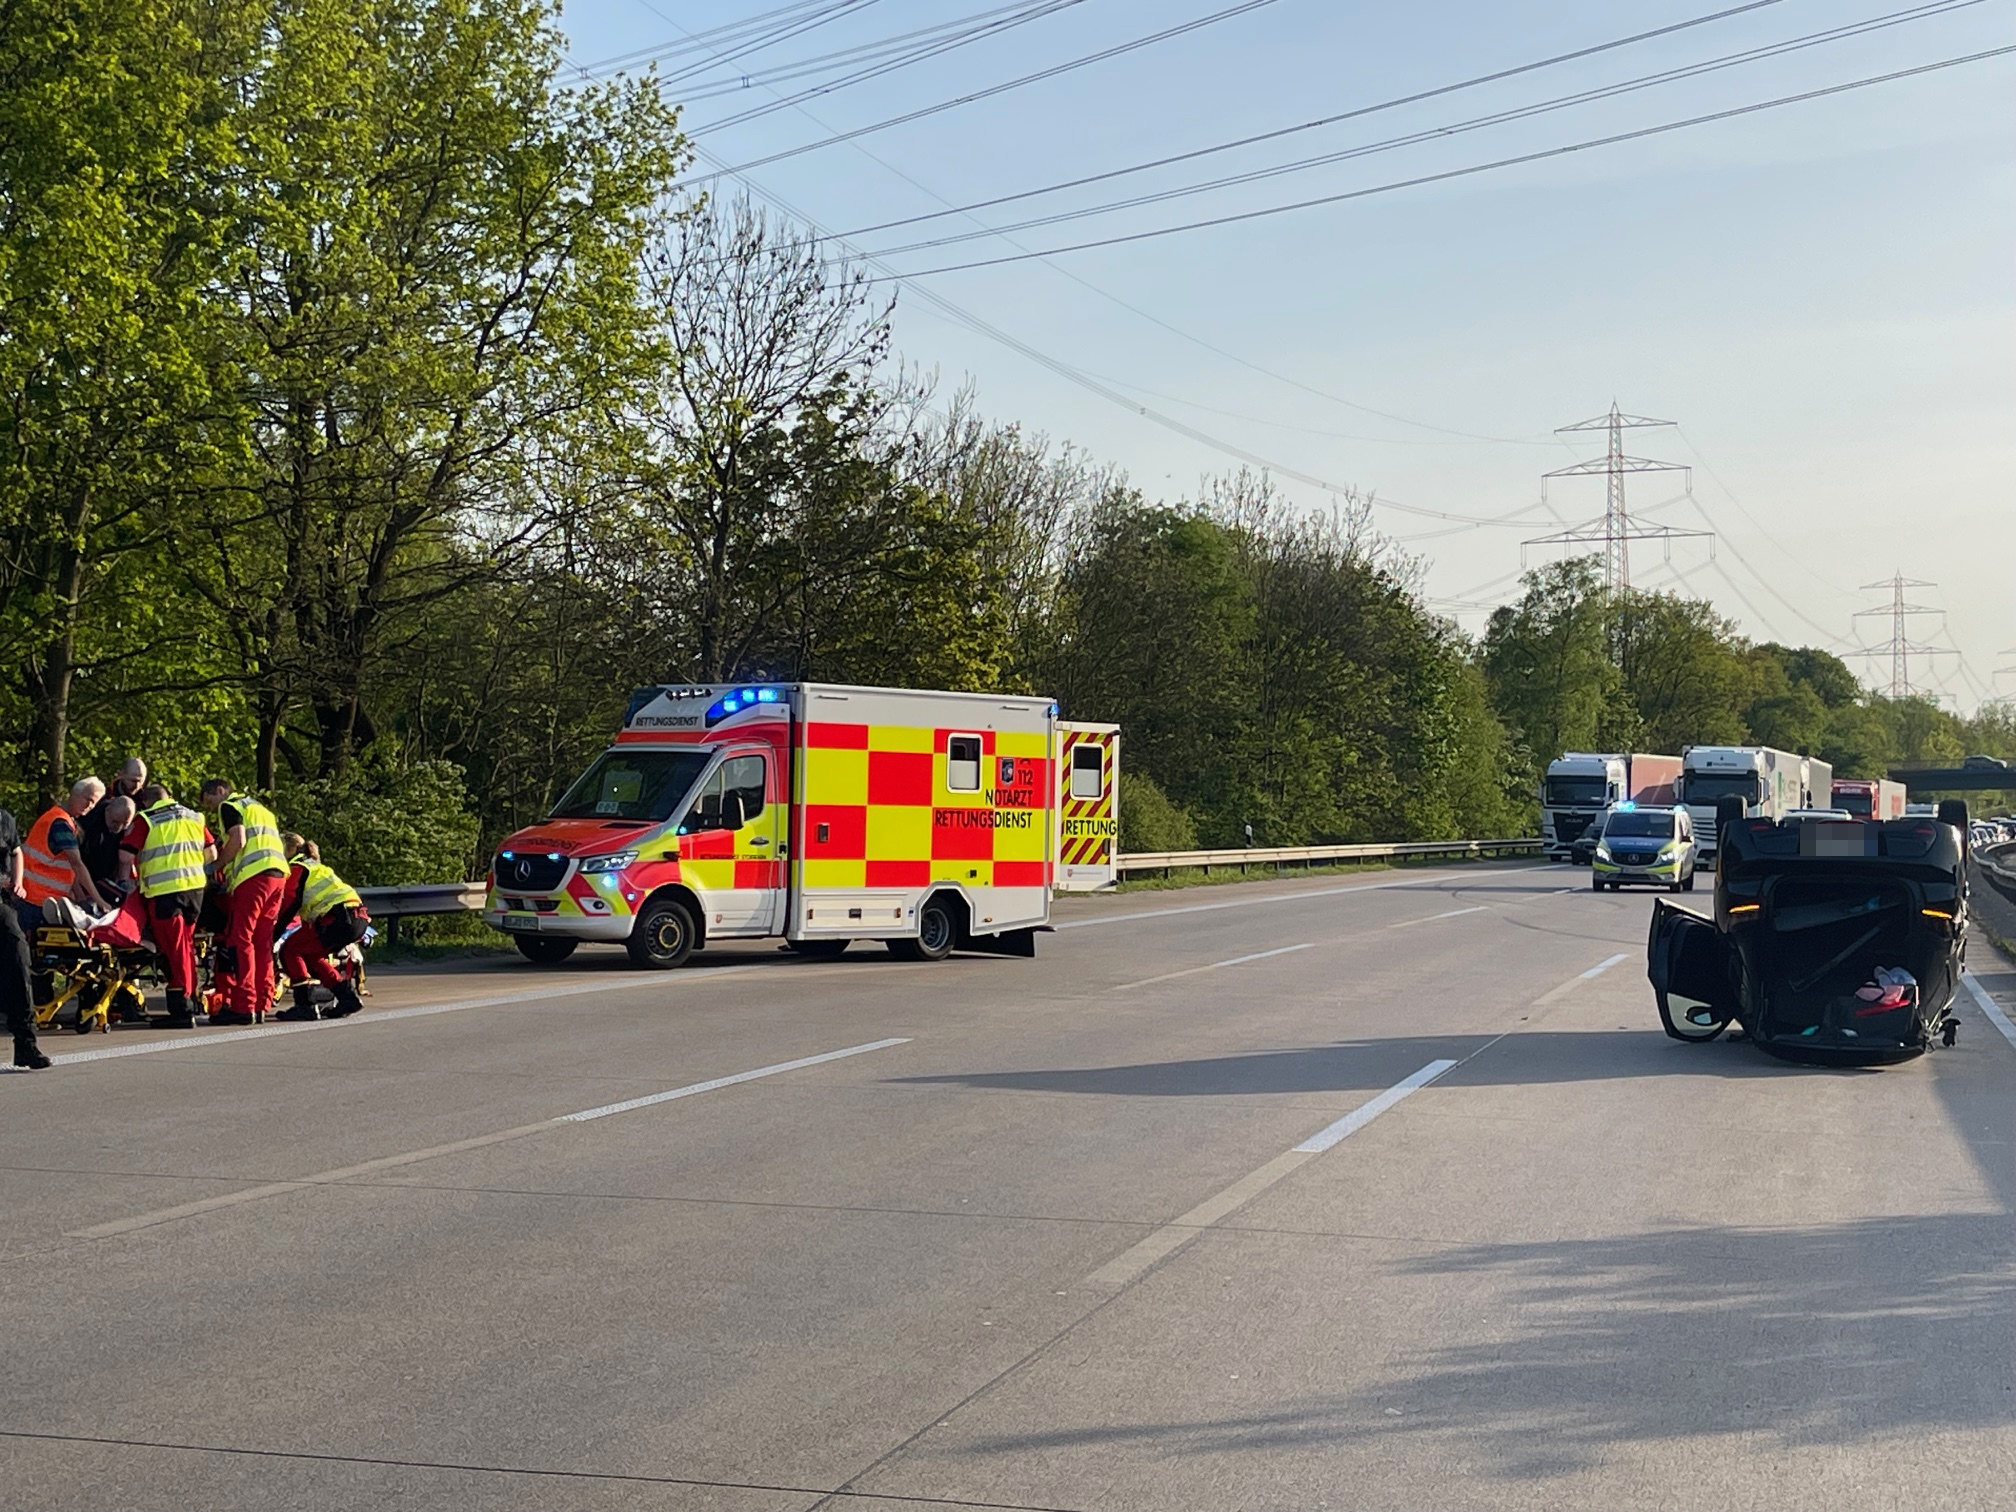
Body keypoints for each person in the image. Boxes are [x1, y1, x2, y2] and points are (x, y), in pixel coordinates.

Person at [119, 784, 215, 1029]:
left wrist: (126, 882)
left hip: (164, 893)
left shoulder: (147, 819)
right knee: (186, 946)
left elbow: (125, 856)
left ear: (146, 801)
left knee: (173, 950)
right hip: (194, 891)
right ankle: (189, 1000)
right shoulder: (194, 816)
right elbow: (212, 853)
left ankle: (181, 1008)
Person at [200, 779, 286, 1028]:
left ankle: (243, 1006)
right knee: (262, 941)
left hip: (253, 877)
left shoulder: (230, 805)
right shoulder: (259, 808)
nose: (211, 808)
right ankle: (261, 1003)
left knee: (241, 940)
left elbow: (237, 841)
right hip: (277, 875)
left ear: (218, 791)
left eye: (209, 801)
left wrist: (216, 866)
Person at [273, 836, 369, 1022]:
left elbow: (290, 904)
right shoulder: (317, 867)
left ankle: (305, 1005)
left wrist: (274, 934)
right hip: (355, 917)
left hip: (339, 917)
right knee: (310, 955)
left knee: (290, 950)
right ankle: (347, 998)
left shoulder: (297, 869)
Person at [0, 807, 51, 1070]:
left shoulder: (4, 818)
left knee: (18, 961)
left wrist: (18, 882)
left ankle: (26, 1044)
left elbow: (16, 851)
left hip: (2, 902)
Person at [19, 777, 111, 915]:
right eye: (88, 800)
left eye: (94, 803)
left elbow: (66, 865)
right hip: (39, 901)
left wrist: (80, 897)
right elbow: (76, 864)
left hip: (37, 897)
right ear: (74, 794)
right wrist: (99, 900)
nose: (89, 806)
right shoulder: (61, 824)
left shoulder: (58, 818)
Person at [78, 794, 136, 903]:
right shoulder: (88, 821)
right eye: (115, 822)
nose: (118, 827)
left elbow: (125, 856)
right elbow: (76, 861)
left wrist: (123, 882)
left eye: (124, 824)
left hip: (109, 877)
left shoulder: (129, 827)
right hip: (85, 876)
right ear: (107, 811)